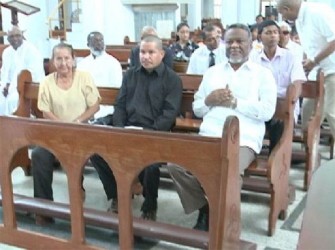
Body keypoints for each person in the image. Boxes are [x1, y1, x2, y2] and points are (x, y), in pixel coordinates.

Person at [168, 23, 277, 231]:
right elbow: (198, 108)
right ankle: (206, 208)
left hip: (243, 138)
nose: (234, 46)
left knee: (228, 171)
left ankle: (226, 223)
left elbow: (267, 111)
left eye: (240, 41)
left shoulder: (263, 74)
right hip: (210, 134)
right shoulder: (213, 72)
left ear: (251, 44)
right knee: (176, 165)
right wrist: (209, 99)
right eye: (230, 41)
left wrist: (235, 103)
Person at [90, 35, 182, 221]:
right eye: (142, 52)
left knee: (151, 164)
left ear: (161, 54)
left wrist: (149, 134)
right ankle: (116, 195)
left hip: (155, 134)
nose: (146, 56)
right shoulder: (131, 74)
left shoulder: (172, 80)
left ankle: (150, 204)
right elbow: (120, 105)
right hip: (127, 130)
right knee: (97, 153)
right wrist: (120, 130)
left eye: (151, 52)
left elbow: (169, 114)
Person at [32, 43, 101, 225]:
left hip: (81, 131)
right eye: (59, 59)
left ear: (73, 59)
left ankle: (78, 192)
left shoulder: (84, 77)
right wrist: (62, 126)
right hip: (56, 133)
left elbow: (95, 105)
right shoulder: (47, 82)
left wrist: (78, 122)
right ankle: (43, 208)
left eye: (67, 58)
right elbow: (45, 111)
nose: (63, 63)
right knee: (39, 154)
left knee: (75, 156)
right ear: (53, 61)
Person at [276, 0, 335, 136]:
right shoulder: (299, 20)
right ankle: (309, 151)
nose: (283, 18)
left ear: (287, 8)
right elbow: (308, 46)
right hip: (316, 72)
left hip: (332, 70)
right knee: (307, 112)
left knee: (331, 113)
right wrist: (305, 63)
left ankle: (311, 148)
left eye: (282, 13)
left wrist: (314, 61)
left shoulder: (317, 12)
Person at [250, 20, 306, 153]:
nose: (273, 36)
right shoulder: (253, 58)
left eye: (275, 32)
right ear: (259, 37)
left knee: (280, 124)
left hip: (283, 105)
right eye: (268, 33)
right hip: (261, 105)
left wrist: (291, 101)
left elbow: (298, 82)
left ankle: (276, 163)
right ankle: (250, 157)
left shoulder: (290, 57)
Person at [77, 31, 123, 125]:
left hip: (106, 108)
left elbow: (117, 90)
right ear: (88, 44)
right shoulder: (82, 64)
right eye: (95, 41)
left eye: (101, 40)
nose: (99, 43)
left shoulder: (113, 63)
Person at [0, 26, 45, 115]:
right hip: (9, 88)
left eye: (17, 35)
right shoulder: (6, 52)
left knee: (14, 100)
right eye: (11, 37)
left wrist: (12, 87)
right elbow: (4, 72)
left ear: (22, 36)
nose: (15, 39)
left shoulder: (31, 50)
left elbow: (33, 74)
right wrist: (5, 86)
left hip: (27, 88)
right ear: (8, 39)